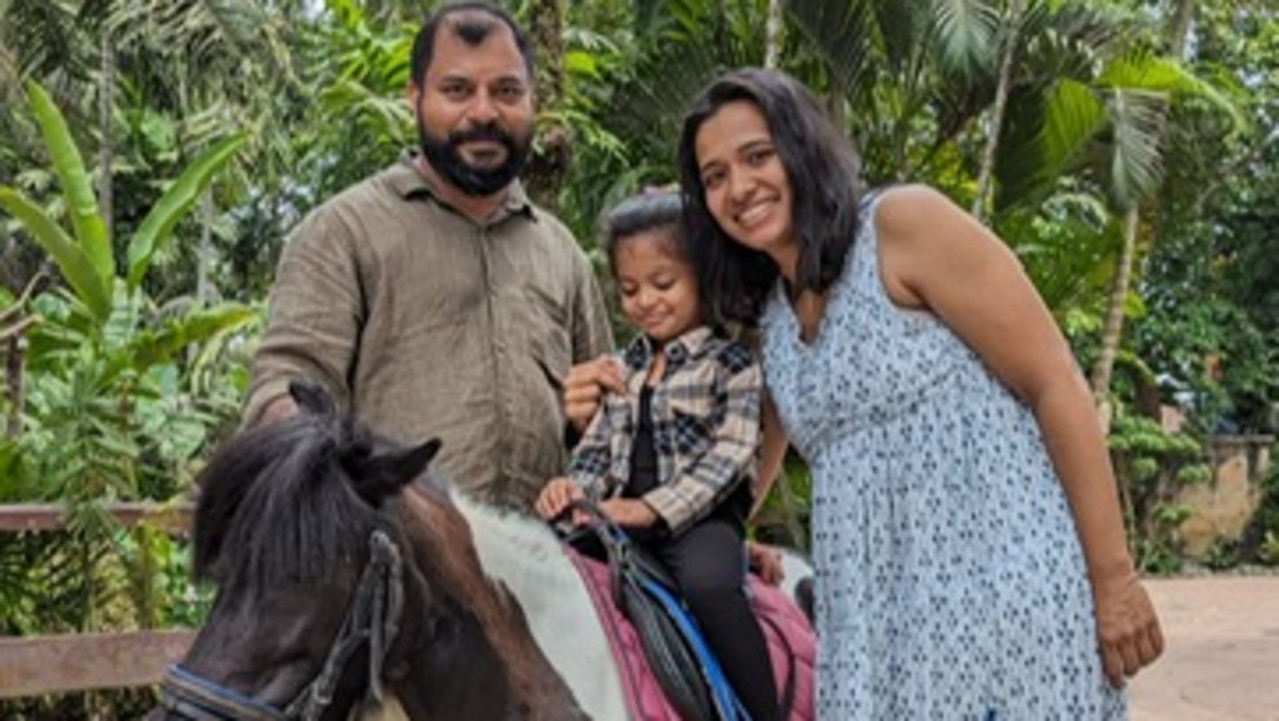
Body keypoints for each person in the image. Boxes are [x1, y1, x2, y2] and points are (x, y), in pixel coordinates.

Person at [665, 66, 1164, 719]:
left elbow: (1055, 384)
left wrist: (1114, 578)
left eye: (757, 156)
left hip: (998, 600)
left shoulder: (902, 226)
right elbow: (739, 479)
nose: (739, 187)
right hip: (874, 637)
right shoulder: (772, 321)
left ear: (801, 149)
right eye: (714, 176)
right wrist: (703, 540)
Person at [243, 1, 612, 510]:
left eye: (506, 91)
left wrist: (601, 417)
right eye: (457, 90)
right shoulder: (345, 231)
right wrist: (305, 451)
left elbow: (609, 423)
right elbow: (285, 390)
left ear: (533, 101)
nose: (483, 112)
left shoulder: (561, 252)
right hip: (391, 568)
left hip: (542, 568)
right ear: (415, 97)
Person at [535, 191, 780, 721]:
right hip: (622, 517)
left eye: (662, 284)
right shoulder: (621, 366)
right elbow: (599, 448)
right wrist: (574, 488)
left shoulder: (731, 364)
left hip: (699, 520)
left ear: (703, 278)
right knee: (542, 567)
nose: (645, 301)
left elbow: (732, 455)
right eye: (629, 290)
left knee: (710, 587)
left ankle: (765, 712)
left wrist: (650, 510)